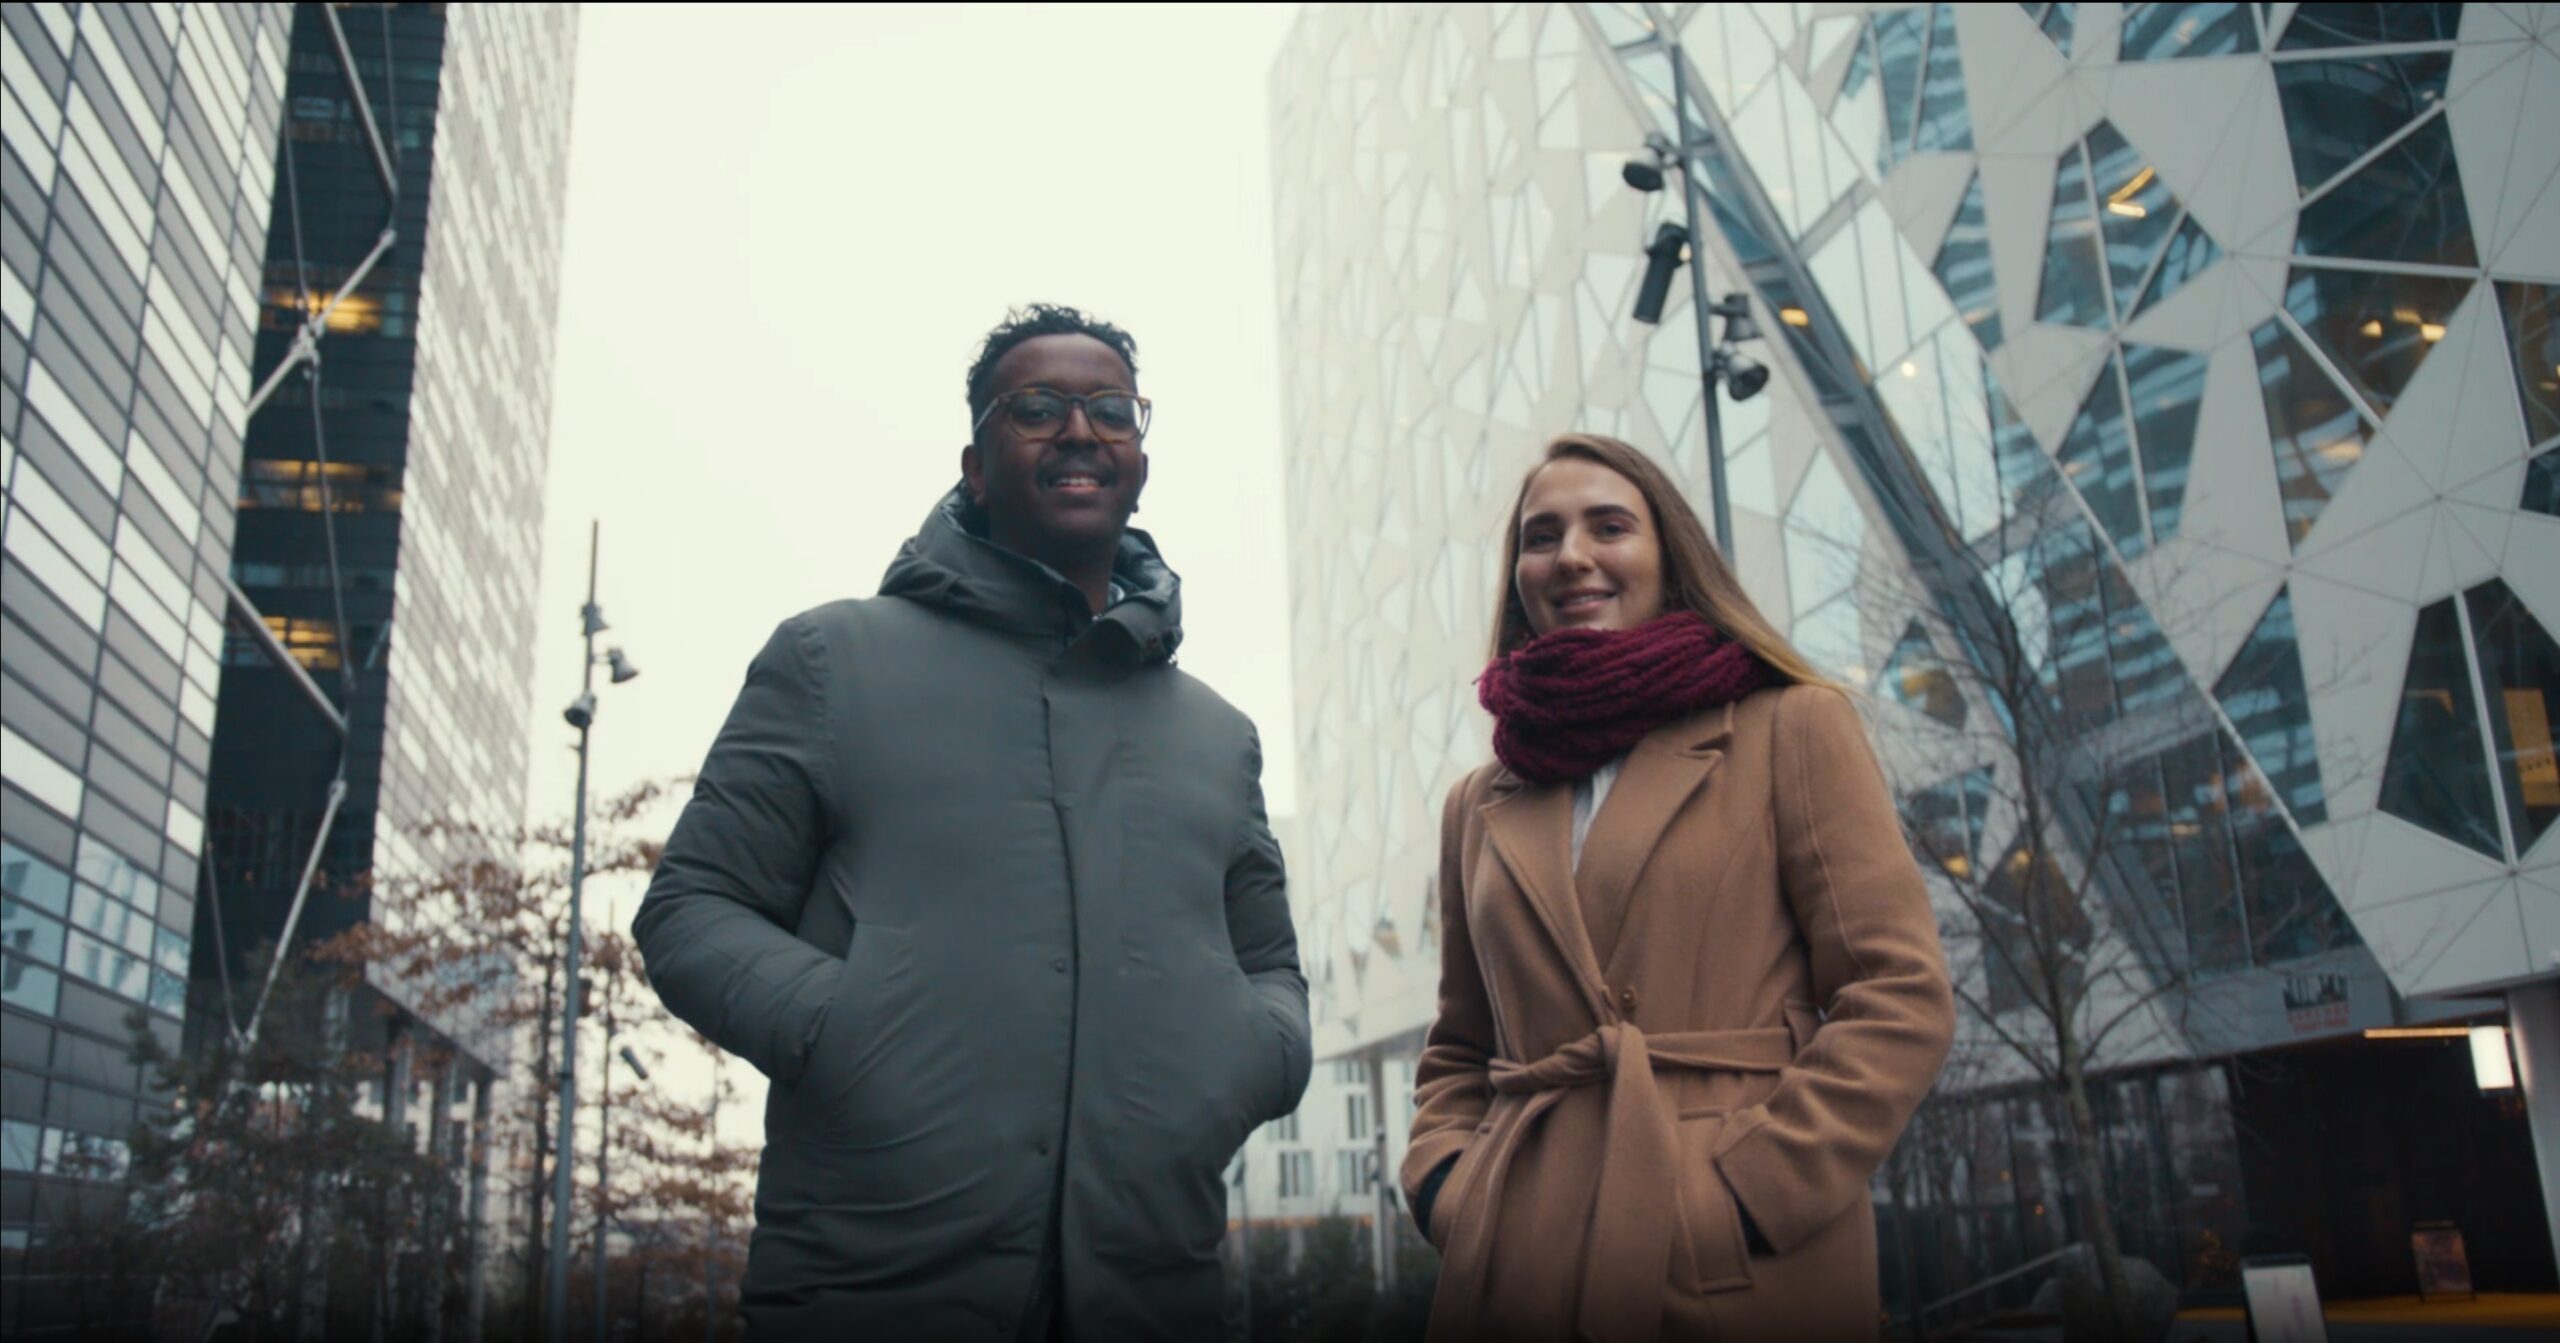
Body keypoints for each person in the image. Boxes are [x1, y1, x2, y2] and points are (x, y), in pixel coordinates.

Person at [633, 304, 1311, 1343]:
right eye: (1036, 407)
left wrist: (1236, 1063)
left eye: (1112, 409)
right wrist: (848, 1026)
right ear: (976, 464)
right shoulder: (829, 658)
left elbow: (1269, 965)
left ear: (1138, 456)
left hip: (1152, 1284)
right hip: (872, 1281)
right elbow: (690, 910)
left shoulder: (1218, 733)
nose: (1079, 430)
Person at [1403, 434, 1954, 1342]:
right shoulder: (1479, 801)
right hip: (1520, 1248)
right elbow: (1460, 1045)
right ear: (1518, 577)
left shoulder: (1791, 728)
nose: (1572, 555)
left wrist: (1741, 1195)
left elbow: (1899, 997)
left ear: (1670, 556)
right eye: (1541, 536)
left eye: (1608, 525)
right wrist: (1446, 1185)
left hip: (1733, 1260)